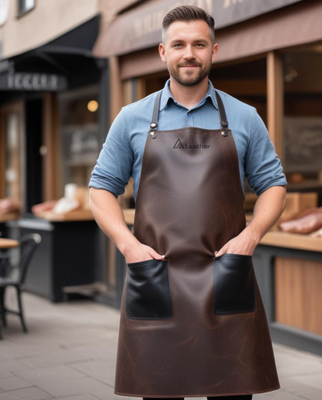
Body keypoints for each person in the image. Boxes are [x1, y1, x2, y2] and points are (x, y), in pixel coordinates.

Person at [88, 5, 287, 399]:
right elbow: (100, 189)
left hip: (225, 275)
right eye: (178, 44)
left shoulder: (245, 117)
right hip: (156, 277)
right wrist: (128, 246)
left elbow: (274, 184)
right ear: (163, 52)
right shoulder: (131, 118)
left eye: (199, 43)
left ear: (214, 50)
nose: (189, 53)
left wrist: (251, 237)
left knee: (232, 392)